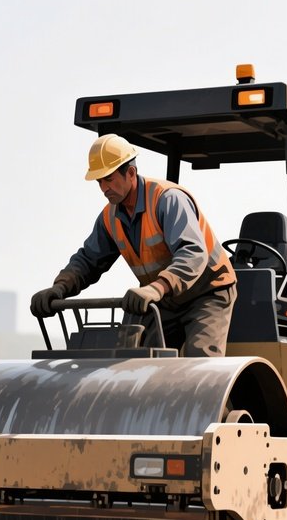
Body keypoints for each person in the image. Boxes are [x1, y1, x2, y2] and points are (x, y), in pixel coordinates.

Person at [30, 134, 236, 356]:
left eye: (108, 178)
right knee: (136, 361)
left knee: (201, 364)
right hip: (165, 298)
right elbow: (88, 260)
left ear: (130, 173)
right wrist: (59, 287)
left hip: (206, 293)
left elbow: (193, 253)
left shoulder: (167, 199)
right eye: (99, 181)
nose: (103, 187)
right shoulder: (109, 218)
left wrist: (156, 288)